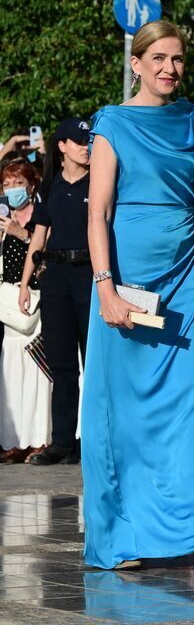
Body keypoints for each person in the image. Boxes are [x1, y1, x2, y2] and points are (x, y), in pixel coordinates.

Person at [82, 20, 194, 571]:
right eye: (158, 58)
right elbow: (98, 214)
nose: (169, 68)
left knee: (191, 407)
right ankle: (120, 536)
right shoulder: (111, 123)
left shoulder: (191, 119)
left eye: (177, 59)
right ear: (136, 63)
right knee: (123, 413)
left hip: (182, 280)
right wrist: (105, 289)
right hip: (126, 278)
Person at [18, 118, 92, 466]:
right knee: (62, 368)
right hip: (56, 279)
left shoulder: (100, 182)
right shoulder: (51, 185)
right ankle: (62, 441)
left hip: (91, 276)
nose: (85, 146)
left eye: (88, 140)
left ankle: (93, 439)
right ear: (62, 146)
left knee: (96, 366)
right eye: (79, 141)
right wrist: (24, 283)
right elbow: (39, 234)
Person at [0, 161, 51, 464]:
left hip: (36, 298)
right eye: (7, 184)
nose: (13, 189)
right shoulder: (4, 218)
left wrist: (21, 234)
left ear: (32, 185)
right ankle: (13, 440)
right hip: (8, 305)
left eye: (18, 182)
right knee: (11, 372)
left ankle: (40, 439)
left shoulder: (42, 217)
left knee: (36, 373)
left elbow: (47, 255)